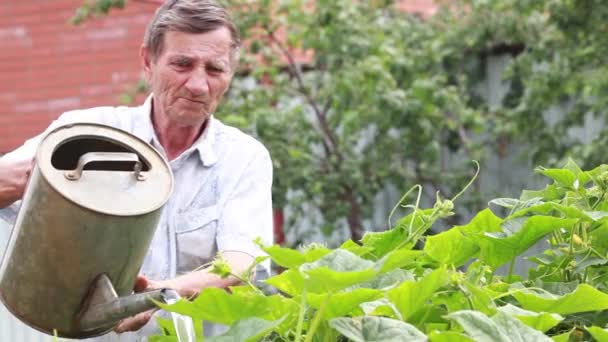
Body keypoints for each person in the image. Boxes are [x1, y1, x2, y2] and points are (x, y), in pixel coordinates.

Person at [0, 0, 273, 339]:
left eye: (214, 69)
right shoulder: (87, 133)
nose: (198, 85)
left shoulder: (242, 159)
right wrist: (36, 181)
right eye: (182, 64)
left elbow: (241, 264)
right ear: (148, 61)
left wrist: (161, 293)